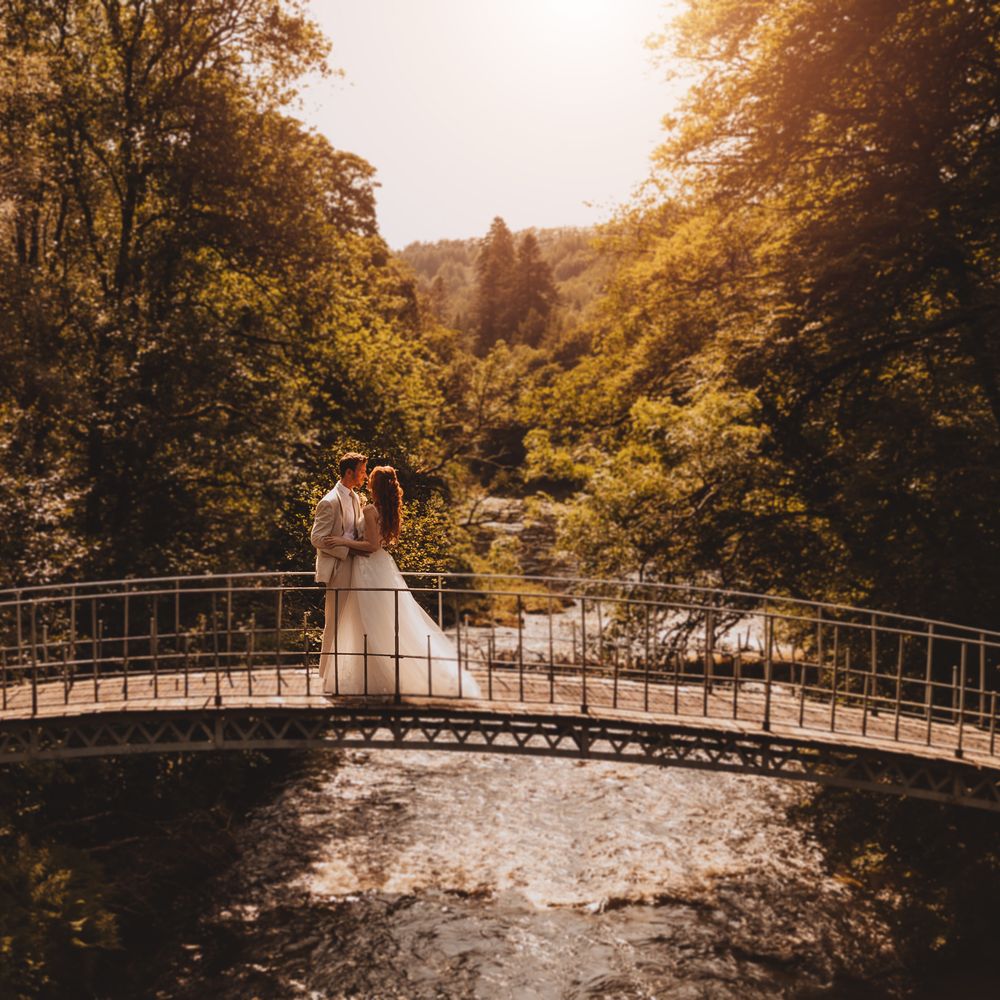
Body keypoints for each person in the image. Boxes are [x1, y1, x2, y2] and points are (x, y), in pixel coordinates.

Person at [320, 465, 481, 698]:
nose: (366, 480)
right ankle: (375, 675)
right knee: (380, 621)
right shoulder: (388, 509)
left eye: (370, 478)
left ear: (375, 485)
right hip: (381, 566)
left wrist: (342, 542)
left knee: (367, 621)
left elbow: (371, 546)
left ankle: (371, 677)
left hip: (367, 567)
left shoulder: (370, 510)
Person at [310, 452, 368, 686]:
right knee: (335, 621)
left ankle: (347, 673)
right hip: (338, 566)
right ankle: (325, 676)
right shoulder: (329, 501)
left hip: (356, 565)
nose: (365, 474)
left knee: (355, 620)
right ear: (349, 472)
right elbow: (317, 538)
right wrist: (344, 550)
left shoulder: (355, 497)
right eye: (362, 470)